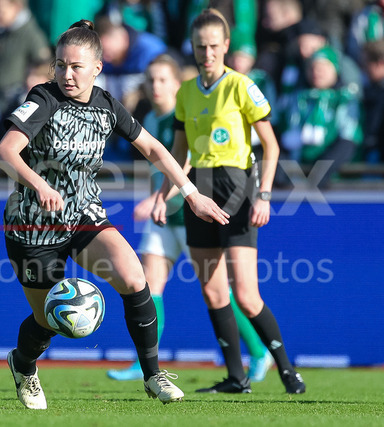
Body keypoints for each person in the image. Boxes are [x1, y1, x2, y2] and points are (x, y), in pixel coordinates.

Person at [0, 19, 230, 410]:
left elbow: (153, 149)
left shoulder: (106, 105)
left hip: (83, 214)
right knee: (49, 320)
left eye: (76, 66)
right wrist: (39, 185)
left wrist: (191, 194)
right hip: (33, 227)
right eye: (60, 65)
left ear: (97, 68)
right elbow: (5, 152)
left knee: (135, 277)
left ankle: (152, 375)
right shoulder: (43, 98)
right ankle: (23, 365)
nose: (67, 74)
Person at [152, 9, 305, 394]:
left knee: (247, 296)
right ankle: (236, 377)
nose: (207, 53)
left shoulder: (241, 86)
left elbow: (271, 145)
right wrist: (163, 195)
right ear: (192, 47)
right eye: (200, 46)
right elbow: (180, 152)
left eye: (213, 46)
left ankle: (287, 369)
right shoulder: (186, 92)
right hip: (199, 191)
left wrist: (264, 195)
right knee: (213, 292)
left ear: (225, 46)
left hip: (237, 191)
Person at [106, 53, 274, 383]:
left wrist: (157, 198)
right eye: (150, 80)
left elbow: (189, 163)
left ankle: (259, 352)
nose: (155, 86)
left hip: (190, 216)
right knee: (148, 285)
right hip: (163, 218)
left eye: (163, 80)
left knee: (219, 292)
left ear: (176, 84)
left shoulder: (183, 116)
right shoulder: (150, 118)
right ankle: (145, 362)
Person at [276, 46, 363, 188]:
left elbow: (348, 140)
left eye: (324, 67)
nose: (317, 72)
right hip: (293, 178)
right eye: (313, 67)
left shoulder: (345, 99)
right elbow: (282, 134)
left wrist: (318, 175)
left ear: (335, 70)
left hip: (333, 182)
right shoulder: (297, 98)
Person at [0, 0, 52, 116]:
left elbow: (44, 67)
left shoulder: (31, 35)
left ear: (16, 8)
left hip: (15, 101)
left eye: (0, 10)